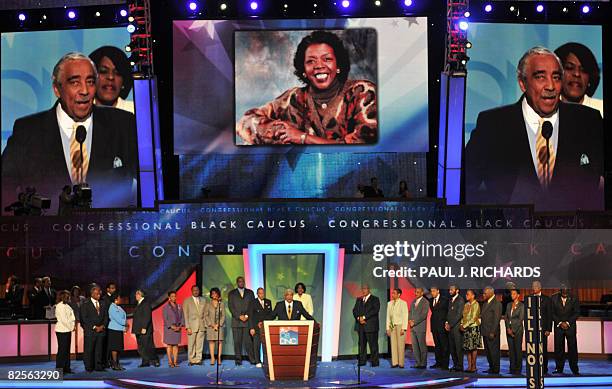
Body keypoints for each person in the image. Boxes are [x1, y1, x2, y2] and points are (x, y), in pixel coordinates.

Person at [465, 46, 604, 211]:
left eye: (556, 77)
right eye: (540, 77)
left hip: (575, 232)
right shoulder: (493, 124)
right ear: (522, 83)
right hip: (512, 232)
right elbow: (467, 185)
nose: (551, 86)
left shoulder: (588, 120)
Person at [1, 52, 138, 212]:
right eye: (75, 83)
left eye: (90, 82)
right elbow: (5, 187)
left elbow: (146, 182)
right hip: (46, 233)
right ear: (57, 89)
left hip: (109, 233)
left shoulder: (122, 124)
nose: (85, 91)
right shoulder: (28, 131)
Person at [236, 30, 377, 145]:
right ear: (303, 69)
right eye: (311, 61)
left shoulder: (362, 92)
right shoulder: (294, 98)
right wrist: (282, 132)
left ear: (338, 65)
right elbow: (245, 122)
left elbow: (365, 143)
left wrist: (302, 138)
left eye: (327, 59)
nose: (319, 66)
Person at [554, 42, 603, 117]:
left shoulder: (601, 109)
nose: (577, 74)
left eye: (583, 70)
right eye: (569, 68)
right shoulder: (546, 110)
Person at [89, 46, 134, 113]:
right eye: (103, 71)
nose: (111, 77)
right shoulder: (80, 112)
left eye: (117, 73)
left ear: (123, 82)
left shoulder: (135, 111)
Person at [551, 286, 580, 375]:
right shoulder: (553, 298)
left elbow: (577, 312)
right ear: (560, 290)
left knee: (572, 348)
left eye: (566, 291)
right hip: (558, 327)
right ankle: (559, 368)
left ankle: (574, 369)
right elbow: (552, 312)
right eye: (563, 291)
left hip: (570, 327)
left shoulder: (574, 298)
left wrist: (567, 323)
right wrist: (560, 322)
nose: (565, 292)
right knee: (559, 348)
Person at [228, 276, 256, 365]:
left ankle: (252, 359)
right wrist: (239, 316)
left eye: (242, 281)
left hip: (247, 321)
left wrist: (247, 315)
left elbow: (252, 306)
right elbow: (231, 307)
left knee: (248, 342)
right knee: (237, 342)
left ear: (244, 282)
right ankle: (238, 360)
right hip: (236, 322)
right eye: (239, 281)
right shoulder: (231, 293)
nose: (241, 283)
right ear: (237, 283)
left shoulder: (250, 293)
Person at [80, 285, 108, 372]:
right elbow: (84, 319)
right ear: (92, 294)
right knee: (89, 350)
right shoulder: (85, 304)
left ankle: (98, 366)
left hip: (101, 331)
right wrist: (95, 327)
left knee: (99, 350)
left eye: (99, 293)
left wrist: (103, 326)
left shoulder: (103, 303)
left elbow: (106, 316)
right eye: (97, 293)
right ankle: (89, 367)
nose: (99, 295)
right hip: (90, 331)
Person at [352, 284, 380, 367]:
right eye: (362, 289)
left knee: (373, 345)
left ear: (369, 290)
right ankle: (362, 361)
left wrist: (364, 317)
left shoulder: (375, 299)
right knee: (361, 345)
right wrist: (358, 318)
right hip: (360, 327)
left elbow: (375, 310)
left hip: (371, 326)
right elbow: (354, 310)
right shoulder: (359, 299)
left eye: (365, 289)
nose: (363, 290)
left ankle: (375, 362)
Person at [132, 289, 160, 367]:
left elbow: (147, 316)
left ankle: (155, 359)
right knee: (141, 347)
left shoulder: (146, 303)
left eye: (136, 294)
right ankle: (145, 362)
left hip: (145, 329)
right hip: (138, 329)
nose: (135, 296)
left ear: (140, 295)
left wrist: (144, 327)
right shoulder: (138, 304)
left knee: (148, 346)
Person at [531, 280, 552, 375]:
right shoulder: (530, 298)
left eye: (535, 286)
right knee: (533, 349)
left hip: (543, 329)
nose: (533, 288)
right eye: (532, 286)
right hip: (532, 329)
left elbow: (549, 315)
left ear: (539, 288)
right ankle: (535, 367)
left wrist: (548, 329)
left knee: (543, 349)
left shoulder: (546, 299)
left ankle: (544, 368)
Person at [182, 285, 206, 366]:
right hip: (191, 326)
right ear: (191, 291)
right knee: (191, 344)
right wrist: (187, 327)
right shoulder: (187, 301)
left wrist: (205, 324)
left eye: (197, 290)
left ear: (199, 291)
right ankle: (191, 360)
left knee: (200, 343)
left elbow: (206, 313)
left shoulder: (203, 300)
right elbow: (185, 315)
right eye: (194, 290)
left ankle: (198, 359)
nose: (196, 291)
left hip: (201, 325)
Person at [249, 287, 273, 368]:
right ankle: (258, 361)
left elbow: (270, 315)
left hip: (265, 327)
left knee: (266, 345)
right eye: (260, 293)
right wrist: (252, 328)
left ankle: (266, 361)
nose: (262, 294)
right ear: (257, 294)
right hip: (256, 328)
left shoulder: (268, 302)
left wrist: (264, 323)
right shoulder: (253, 302)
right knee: (257, 345)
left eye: (263, 293)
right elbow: (251, 316)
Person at [480, 286, 502, 374]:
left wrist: (492, 331)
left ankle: (496, 369)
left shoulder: (497, 303)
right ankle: (491, 367)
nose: (483, 295)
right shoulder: (485, 303)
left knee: (494, 352)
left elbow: (496, 319)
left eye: (485, 293)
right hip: (485, 331)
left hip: (492, 332)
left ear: (490, 293)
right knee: (488, 352)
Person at [386, 288, 408, 368]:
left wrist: (404, 328)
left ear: (399, 294)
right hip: (392, 326)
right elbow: (388, 316)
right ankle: (394, 362)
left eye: (394, 293)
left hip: (400, 325)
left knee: (401, 345)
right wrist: (387, 328)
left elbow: (405, 316)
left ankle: (401, 363)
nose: (392, 295)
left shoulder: (403, 303)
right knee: (393, 344)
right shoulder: (389, 303)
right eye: (392, 293)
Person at [55, 290, 75, 374]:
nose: (69, 298)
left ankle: (67, 368)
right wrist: (71, 327)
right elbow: (63, 320)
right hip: (62, 330)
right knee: (62, 350)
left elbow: (72, 317)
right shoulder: (59, 306)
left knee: (67, 350)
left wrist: (72, 325)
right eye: (67, 296)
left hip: (67, 330)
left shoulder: (68, 306)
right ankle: (60, 369)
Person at [461, 289, 481, 373]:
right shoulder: (466, 304)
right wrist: (462, 324)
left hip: (473, 328)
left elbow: (474, 318)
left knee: (473, 347)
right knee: (467, 348)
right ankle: (469, 366)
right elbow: (463, 316)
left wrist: (465, 325)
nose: (466, 295)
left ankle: (474, 366)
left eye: (468, 294)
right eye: (466, 294)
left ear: (473, 295)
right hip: (466, 329)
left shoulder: (476, 304)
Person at [409, 287, 430, 369]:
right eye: (415, 292)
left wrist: (414, 322)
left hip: (420, 327)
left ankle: (423, 363)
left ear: (422, 293)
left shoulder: (425, 302)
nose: (416, 293)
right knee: (415, 347)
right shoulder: (413, 301)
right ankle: (417, 362)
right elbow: (410, 312)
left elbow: (423, 315)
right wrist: (410, 320)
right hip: (413, 328)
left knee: (422, 346)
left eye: (418, 292)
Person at [429, 286, 449, 370]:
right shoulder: (431, 300)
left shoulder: (444, 299)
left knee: (444, 346)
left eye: (433, 291)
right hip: (434, 326)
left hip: (442, 326)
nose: (432, 293)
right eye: (431, 291)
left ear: (438, 291)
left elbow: (447, 312)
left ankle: (445, 364)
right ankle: (438, 362)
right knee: (437, 346)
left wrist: (447, 322)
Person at [505, 289, 525, 375]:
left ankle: (518, 369)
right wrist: (508, 328)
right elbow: (506, 317)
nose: (512, 295)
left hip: (517, 331)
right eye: (511, 294)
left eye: (514, 294)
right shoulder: (509, 305)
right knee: (511, 351)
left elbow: (520, 320)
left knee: (517, 350)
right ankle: (512, 368)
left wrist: (512, 330)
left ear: (518, 295)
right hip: (509, 330)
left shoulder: (521, 305)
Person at [204, 287, 226, 365]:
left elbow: (223, 316)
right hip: (211, 326)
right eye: (213, 293)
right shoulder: (208, 304)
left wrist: (219, 324)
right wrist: (212, 325)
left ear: (218, 294)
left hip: (220, 326)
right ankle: (212, 358)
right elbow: (206, 315)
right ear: (211, 295)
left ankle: (219, 357)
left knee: (220, 341)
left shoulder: (221, 304)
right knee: (211, 342)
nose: (214, 295)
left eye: (216, 293)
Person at [445, 284, 465, 372]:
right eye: (449, 290)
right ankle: (455, 364)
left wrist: (451, 324)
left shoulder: (460, 300)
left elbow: (459, 315)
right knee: (452, 348)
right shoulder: (450, 300)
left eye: (452, 290)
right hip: (450, 327)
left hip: (456, 328)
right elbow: (448, 313)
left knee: (458, 348)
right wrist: (446, 323)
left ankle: (460, 366)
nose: (450, 291)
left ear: (457, 291)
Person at [162, 290, 183, 368]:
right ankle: (170, 362)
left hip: (177, 328)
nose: (174, 298)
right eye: (172, 296)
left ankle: (175, 361)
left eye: (175, 296)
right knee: (169, 345)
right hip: (169, 329)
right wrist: (171, 326)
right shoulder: (165, 307)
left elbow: (182, 317)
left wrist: (180, 326)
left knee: (176, 345)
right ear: (169, 298)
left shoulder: (179, 306)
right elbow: (165, 319)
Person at [107, 292, 127, 370]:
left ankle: (118, 364)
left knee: (118, 348)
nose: (121, 299)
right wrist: (125, 323)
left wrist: (124, 324)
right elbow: (118, 319)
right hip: (114, 329)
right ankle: (114, 364)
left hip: (119, 329)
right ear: (115, 299)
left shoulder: (118, 307)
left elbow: (124, 316)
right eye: (119, 298)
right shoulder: (112, 307)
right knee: (114, 348)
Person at [101, 282, 117, 367]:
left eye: (114, 288)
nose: (114, 289)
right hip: (107, 324)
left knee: (112, 343)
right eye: (112, 288)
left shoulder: (114, 297)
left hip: (113, 324)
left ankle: (112, 361)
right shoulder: (105, 298)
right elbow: (105, 311)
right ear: (108, 289)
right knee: (107, 344)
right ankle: (106, 362)